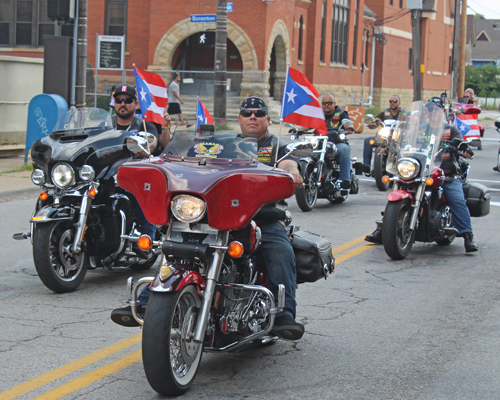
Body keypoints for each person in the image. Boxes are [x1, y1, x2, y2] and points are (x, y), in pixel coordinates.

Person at [111, 97, 306, 341]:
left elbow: (289, 164)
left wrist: (292, 172)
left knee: (279, 250)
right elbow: (190, 159)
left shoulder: (276, 146)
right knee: (174, 246)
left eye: (258, 113)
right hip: (217, 214)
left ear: (268, 119)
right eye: (247, 113)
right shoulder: (229, 144)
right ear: (240, 119)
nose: (252, 117)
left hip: (262, 217)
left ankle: (284, 314)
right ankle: (146, 302)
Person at [365, 97, 478, 253]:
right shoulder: (419, 129)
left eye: (436, 109)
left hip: (445, 173)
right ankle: (384, 228)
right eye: (430, 109)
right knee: (400, 189)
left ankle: (467, 235)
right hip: (419, 170)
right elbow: (404, 141)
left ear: (443, 111)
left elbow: (462, 145)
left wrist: (463, 148)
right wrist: (390, 145)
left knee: (456, 199)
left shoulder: (451, 130)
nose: (433, 112)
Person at [111, 85, 159, 240]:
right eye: (119, 100)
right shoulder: (106, 125)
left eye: (127, 100)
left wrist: (145, 146)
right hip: (108, 175)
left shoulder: (143, 125)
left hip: (135, 176)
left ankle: (147, 237)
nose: (122, 104)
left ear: (135, 104)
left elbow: (152, 144)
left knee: (141, 194)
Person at [363, 95, 404, 173]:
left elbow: (413, 120)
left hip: (398, 138)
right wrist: (373, 123)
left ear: (399, 103)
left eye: (395, 101)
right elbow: (377, 120)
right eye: (390, 101)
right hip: (385, 136)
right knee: (368, 141)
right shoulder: (385, 113)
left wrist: (412, 121)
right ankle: (366, 166)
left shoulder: (403, 113)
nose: (392, 103)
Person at [321, 93, 352, 189]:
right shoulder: (318, 114)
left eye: (329, 103)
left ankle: (344, 180)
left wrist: (349, 128)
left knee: (344, 149)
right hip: (320, 143)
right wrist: (296, 130)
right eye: (324, 103)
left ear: (334, 103)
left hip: (336, 143)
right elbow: (307, 126)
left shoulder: (341, 113)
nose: (326, 105)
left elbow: (348, 124)